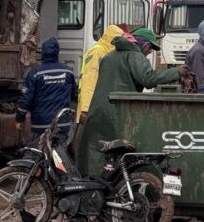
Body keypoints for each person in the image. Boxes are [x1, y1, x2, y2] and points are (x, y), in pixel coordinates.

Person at [77, 29, 187, 176]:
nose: (150, 52)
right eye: (150, 47)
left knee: (96, 152)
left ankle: (94, 183)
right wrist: (176, 72)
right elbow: (148, 79)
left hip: (96, 111)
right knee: (120, 153)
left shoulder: (109, 56)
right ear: (143, 44)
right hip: (117, 114)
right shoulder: (135, 56)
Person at [16, 37, 76, 141]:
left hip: (40, 125)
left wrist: (19, 119)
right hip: (61, 125)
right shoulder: (68, 71)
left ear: (43, 53)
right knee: (59, 149)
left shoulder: (35, 73)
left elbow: (26, 99)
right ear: (57, 52)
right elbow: (72, 94)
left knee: (37, 149)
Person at [77, 25, 124, 121]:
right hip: (91, 108)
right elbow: (89, 80)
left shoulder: (106, 52)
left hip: (96, 106)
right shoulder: (98, 51)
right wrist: (85, 109)